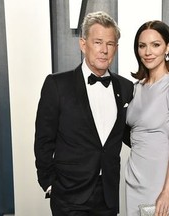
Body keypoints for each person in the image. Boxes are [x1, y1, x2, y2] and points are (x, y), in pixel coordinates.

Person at [34, 11, 133, 216]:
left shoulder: (125, 87)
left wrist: (165, 150)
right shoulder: (57, 84)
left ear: (116, 48)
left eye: (110, 44)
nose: (104, 50)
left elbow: (131, 135)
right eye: (97, 42)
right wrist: (49, 183)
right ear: (83, 44)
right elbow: (43, 139)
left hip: (108, 195)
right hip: (69, 195)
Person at [125, 20, 169, 216]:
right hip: (133, 180)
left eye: (156, 44)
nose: (148, 52)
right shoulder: (135, 89)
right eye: (142, 45)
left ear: (168, 47)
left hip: (161, 183)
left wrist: (167, 191)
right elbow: (134, 133)